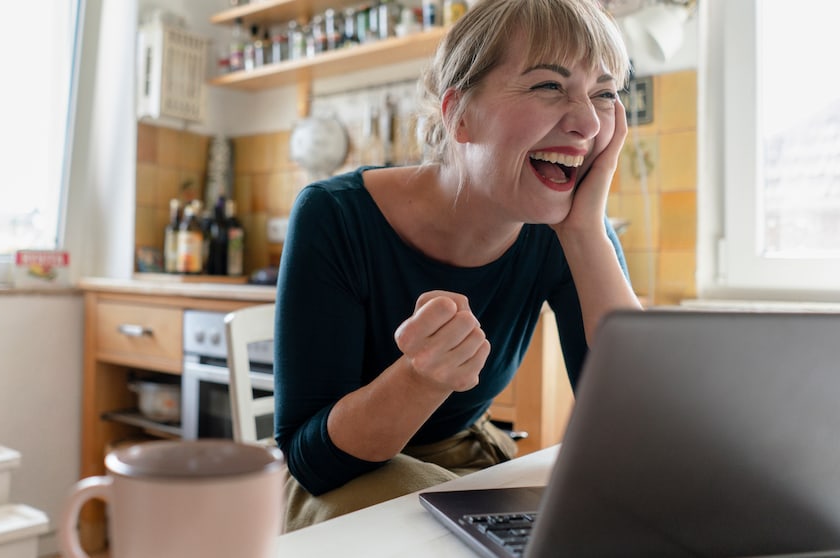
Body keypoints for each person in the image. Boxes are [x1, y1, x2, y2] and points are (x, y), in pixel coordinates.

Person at [273, 0, 642, 533]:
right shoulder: (334, 215)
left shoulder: (568, 227)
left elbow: (639, 431)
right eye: (548, 86)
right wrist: (419, 378)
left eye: (605, 94)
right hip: (338, 478)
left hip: (461, 462)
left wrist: (587, 235)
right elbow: (312, 460)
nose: (587, 121)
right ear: (459, 115)